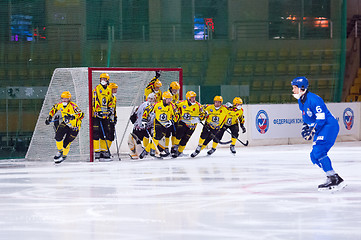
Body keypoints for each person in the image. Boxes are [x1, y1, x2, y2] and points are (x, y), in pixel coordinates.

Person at [291, 76, 346, 191]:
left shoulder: (314, 99)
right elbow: (307, 117)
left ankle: (333, 178)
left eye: (295, 87)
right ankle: (333, 177)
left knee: (319, 151)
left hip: (328, 126)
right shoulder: (301, 100)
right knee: (314, 156)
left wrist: (313, 130)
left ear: (302, 88)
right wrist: (305, 126)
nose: (293, 90)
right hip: (321, 127)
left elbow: (321, 118)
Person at [45, 91, 84, 164]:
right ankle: (60, 151)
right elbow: (54, 108)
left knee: (66, 143)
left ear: (69, 99)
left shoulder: (73, 106)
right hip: (66, 123)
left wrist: (72, 116)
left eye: (66, 99)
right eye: (63, 99)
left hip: (74, 127)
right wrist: (49, 117)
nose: (64, 100)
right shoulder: (60, 105)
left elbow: (81, 115)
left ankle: (64, 156)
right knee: (58, 136)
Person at [139, 91, 177, 159]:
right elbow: (148, 110)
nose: (170, 101)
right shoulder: (157, 104)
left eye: (170, 99)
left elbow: (177, 115)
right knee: (157, 136)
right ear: (164, 99)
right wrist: (144, 119)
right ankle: (152, 151)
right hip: (158, 122)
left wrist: (172, 121)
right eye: (168, 99)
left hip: (166, 124)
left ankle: (146, 151)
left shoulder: (172, 106)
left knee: (158, 138)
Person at [172, 91, 205, 158]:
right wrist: (177, 113)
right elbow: (172, 105)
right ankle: (175, 148)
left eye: (194, 97)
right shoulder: (182, 103)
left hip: (192, 126)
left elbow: (204, 114)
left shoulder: (198, 105)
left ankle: (180, 152)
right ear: (188, 98)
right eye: (192, 97)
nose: (194, 99)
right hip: (183, 123)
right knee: (179, 135)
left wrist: (199, 119)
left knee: (186, 139)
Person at [128, 92, 157, 159]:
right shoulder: (144, 105)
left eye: (152, 99)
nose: (151, 100)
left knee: (150, 138)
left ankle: (147, 151)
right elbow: (139, 115)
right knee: (135, 139)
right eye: (150, 98)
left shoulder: (155, 106)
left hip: (148, 126)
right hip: (139, 127)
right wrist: (141, 124)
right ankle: (134, 153)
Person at [92, 73, 114, 160]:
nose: (103, 80)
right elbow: (95, 99)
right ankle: (96, 151)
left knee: (106, 132)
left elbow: (111, 101)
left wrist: (110, 110)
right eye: (102, 79)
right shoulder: (97, 88)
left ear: (108, 80)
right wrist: (98, 111)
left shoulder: (109, 90)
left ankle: (104, 151)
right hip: (97, 114)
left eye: (105, 79)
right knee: (96, 132)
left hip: (105, 115)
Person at [108, 82, 118, 151]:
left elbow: (114, 108)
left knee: (111, 136)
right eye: (114, 89)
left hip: (112, 119)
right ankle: (104, 150)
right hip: (106, 118)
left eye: (116, 89)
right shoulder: (107, 97)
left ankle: (107, 149)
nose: (115, 91)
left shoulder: (114, 98)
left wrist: (115, 116)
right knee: (106, 135)